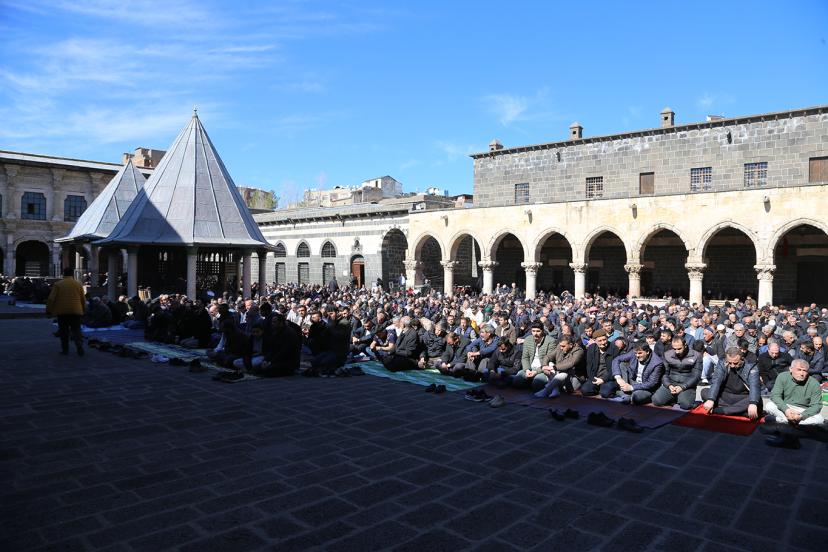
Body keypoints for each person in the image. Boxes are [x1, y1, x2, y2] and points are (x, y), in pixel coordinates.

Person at [701, 347, 762, 419]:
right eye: (730, 363)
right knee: (704, 392)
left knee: (756, 400)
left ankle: (722, 410)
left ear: (742, 359)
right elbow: (716, 381)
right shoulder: (722, 363)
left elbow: (754, 386)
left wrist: (753, 403)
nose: (732, 366)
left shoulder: (751, 367)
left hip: (742, 397)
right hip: (725, 395)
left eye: (735, 363)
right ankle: (738, 410)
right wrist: (711, 399)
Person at [652, 336, 702, 410]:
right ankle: (675, 397)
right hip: (671, 383)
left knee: (686, 405)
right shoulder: (667, 355)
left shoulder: (696, 355)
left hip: (687, 385)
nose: (677, 351)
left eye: (679, 349)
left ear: (685, 345)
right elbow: (664, 373)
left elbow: (696, 376)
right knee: (656, 400)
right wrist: (669, 385)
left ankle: (683, 398)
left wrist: (683, 387)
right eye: (674, 349)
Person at [46, 267, 87, 356]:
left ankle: (65, 349)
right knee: (76, 330)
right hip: (76, 310)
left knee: (63, 331)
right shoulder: (78, 284)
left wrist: (49, 310)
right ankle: (79, 346)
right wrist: (84, 310)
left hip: (62, 311)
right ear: (72, 274)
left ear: (64, 274)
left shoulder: (58, 284)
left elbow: (51, 299)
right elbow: (83, 299)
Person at [514, 321, 557, 391]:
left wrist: (536, 372)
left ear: (542, 331)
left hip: (543, 369)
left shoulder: (550, 341)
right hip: (530, 367)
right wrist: (527, 370)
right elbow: (525, 357)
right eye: (533, 331)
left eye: (538, 331)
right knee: (517, 381)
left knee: (537, 383)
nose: (535, 333)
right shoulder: (528, 339)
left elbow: (549, 360)